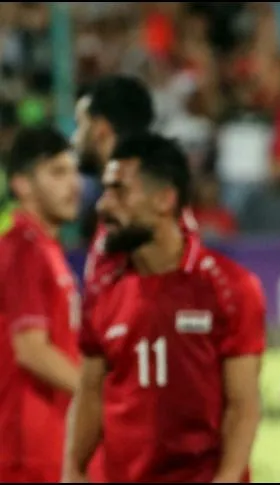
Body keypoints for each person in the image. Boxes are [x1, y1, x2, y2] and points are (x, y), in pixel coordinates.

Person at [63, 133, 265, 483]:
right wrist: (72, 471)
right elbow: (90, 391)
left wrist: (228, 477)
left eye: (119, 191)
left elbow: (243, 404)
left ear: (164, 199)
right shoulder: (104, 290)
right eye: (105, 190)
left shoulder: (229, 287)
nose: (103, 205)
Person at [0, 126, 83, 481]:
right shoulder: (23, 249)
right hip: (22, 454)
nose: (73, 185)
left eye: (74, 172)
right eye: (57, 172)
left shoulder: (47, 250)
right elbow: (31, 350)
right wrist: (103, 397)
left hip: (46, 447)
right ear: (22, 184)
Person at [72, 74, 198, 298]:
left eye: (80, 125)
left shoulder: (151, 209)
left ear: (99, 129)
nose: (75, 139)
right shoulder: (114, 206)